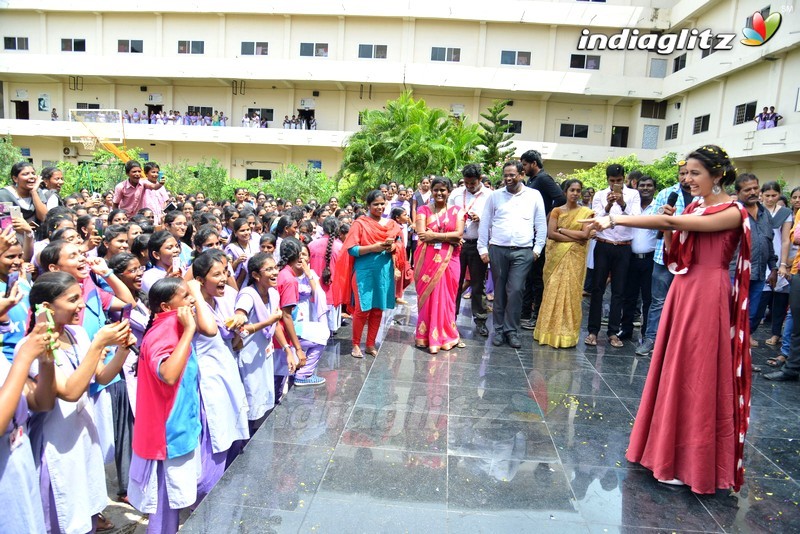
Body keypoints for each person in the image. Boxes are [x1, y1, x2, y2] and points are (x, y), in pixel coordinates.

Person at [583, 144, 752, 494]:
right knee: (675, 370)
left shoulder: (733, 211)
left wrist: (615, 218)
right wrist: (673, 229)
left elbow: (670, 222)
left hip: (708, 294)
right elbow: (675, 243)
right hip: (683, 288)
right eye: (685, 172)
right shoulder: (695, 206)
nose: (687, 179)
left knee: (698, 373)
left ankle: (691, 464)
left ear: (717, 175)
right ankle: (663, 453)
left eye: (695, 173)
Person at [27, 271, 133, 533]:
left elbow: (101, 375)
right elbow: (70, 391)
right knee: (63, 517)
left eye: (81, 297)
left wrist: (122, 350)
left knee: (85, 512)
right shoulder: (33, 348)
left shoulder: (77, 334)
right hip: (55, 445)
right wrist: (99, 344)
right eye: (72, 299)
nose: (81, 305)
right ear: (47, 308)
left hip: (82, 436)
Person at [128, 278, 200, 533]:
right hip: (166, 436)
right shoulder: (165, 331)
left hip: (177, 429)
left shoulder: (172, 325)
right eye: (185, 296)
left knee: (170, 506)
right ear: (165, 306)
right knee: (163, 505)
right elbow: (168, 374)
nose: (192, 299)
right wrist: (189, 330)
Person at [477, 160, 546, 349]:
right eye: (505, 175)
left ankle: (512, 331)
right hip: (498, 249)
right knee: (499, 291)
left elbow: (541, 224)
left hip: (523, 251)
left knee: (516, 291)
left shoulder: (534, 195)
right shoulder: (495, 196)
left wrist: (537, 250)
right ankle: (498, 330)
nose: (508, 178)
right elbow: (485, 223)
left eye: (512, 175)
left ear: (521, 175)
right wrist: (482, 249)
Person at [332, 190, 406, 358]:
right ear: (368, 206)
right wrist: (374, 247)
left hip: (383, 272)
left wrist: (393, 247)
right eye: (375, 204)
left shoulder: (391, 224)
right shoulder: (360, 224)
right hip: (364, 273)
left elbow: (400, 244)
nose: (379, 207)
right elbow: (351, 249)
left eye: (382, 203)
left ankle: (370, 344)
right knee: (362, 309)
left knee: (378, 310)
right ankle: (356, 344)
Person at [635, 161, 692, 356]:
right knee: (658, 300)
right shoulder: (666, 194)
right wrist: (666, 221)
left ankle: (678, 344)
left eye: (690, 173)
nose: (686, 177)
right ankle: (651, 339)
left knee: (685, 303)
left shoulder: (703, 198)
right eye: (682, 173)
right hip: (663, 257)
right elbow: (655, 223)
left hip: (691, 260)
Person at [585, 164, 641, 347]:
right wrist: (609, 204)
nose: (615, 184)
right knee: (597, 289)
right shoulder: (600, 195)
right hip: (603, 245)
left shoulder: (633, 195)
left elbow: (636, 218)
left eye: (618, 180)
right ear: (607, 180)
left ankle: (612, 332)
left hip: (624, 248)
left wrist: (623, 203)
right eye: (612, 181)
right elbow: (595, 218)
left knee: (618, 291)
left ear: (624, 179)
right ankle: (592, 331)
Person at [533, 179, 593, 348]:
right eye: (572, 190)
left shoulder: (587, 213)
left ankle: (567, 335)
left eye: (578, 190)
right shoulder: (556, 211)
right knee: (552, 290)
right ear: (565, 192)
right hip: (556, 258)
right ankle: (547, 332)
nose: (575, 193)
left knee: (572, 293)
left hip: (575, 260)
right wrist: (573, 237)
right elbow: (551, 234)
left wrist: (563, 231)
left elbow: (585, 236)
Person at [414, 176, 464, 353]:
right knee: (429, 296)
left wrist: (434, 236)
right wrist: (448, 238)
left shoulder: (458, 210)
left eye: (443, 190)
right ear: (431, 191)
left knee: (448, 297)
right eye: (436, 190)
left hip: (451, 260)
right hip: (428, 259)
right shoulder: (423, 210)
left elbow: (458, 234)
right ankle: (424, 336)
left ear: (449, 191)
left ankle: (446, 334)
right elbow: (421, 235)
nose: (439, 193)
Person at [520, 150, 565, 330]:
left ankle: (536, 315)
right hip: (529, 232)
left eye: (524, 164)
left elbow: (560, 198)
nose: (523, 168)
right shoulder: (532, 181)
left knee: (537, 276)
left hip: (539, 233)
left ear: (533, 163)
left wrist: (546, 218)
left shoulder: (544, 179)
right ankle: (525, 312)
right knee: (528, 276)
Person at [730, 174, 776, 338]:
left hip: (758, 275)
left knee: (751, 316)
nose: (752, 192)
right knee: (732, 318)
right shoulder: (733, 213)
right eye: (747, 189)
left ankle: (741, 358)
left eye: (755, 188)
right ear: (738, 192)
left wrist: (774, 268)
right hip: (735, 275)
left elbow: (769, 243)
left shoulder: (765, 214)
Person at [449, 164, 490, 337]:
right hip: (457, 243)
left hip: (477, 243)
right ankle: (450, 319)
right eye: (466, 183)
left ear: (480, 179)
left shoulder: (490, 195)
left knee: (477, 284)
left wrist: (482, 218)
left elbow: (495, 218)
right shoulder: (456, 194)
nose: (468, 186)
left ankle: (480, 320)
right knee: (454, 283)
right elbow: (448, 214)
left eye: (472, 183)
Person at [752, 181, 792, 347]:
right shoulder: (756, 210)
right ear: (761, 195)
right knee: (759, 300)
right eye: (766, 195)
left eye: (774, 195)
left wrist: (782, 264)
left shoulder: (785, 212)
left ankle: (776, 334)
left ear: (779, 194)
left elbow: (784, 240)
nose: (770, 199)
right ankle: (749, 333)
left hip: (777, 258)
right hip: (760, 259)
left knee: (780, 301)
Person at [619, 175, 657, 341]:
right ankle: (625, 329)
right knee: (629, 296)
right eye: (642, 185)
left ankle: (646, 333)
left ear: (654, 188)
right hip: (630, 257)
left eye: (649, 185)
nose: (646, 188)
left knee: (648, 299)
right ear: (637, 187)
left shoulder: (659, 207)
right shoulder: (631, 207)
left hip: (650, 259)